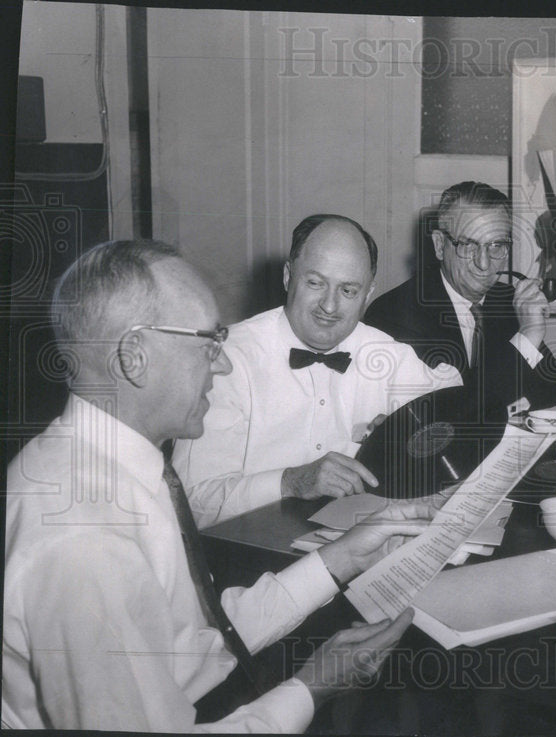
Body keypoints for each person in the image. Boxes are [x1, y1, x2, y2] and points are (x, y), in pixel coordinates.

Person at [3, 240, 437, 731]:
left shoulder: (106, 467)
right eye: (207, 342)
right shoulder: (83, 537)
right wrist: (313, 686)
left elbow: (186, 643)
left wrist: (343, 558)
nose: (225, 363)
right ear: (133, 357)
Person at [173, 215, 461, 526]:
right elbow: (193, 502)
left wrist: (410, 442)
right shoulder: (228, 360)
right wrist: (290, 482)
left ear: (368, 294)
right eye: (315, 283)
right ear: (288, 277)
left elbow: (461, 427)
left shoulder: (389, 355)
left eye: (348, 291)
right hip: (251, 556)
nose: (330, 306)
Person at [364, 181, 556, 423]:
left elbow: (555, 386)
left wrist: (506, 400)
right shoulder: (394, 312)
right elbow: (456, 414)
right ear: (440, 245)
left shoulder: (507, 300)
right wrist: (527, 337)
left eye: (496, 245)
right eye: (468, 245)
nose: (484, 263)